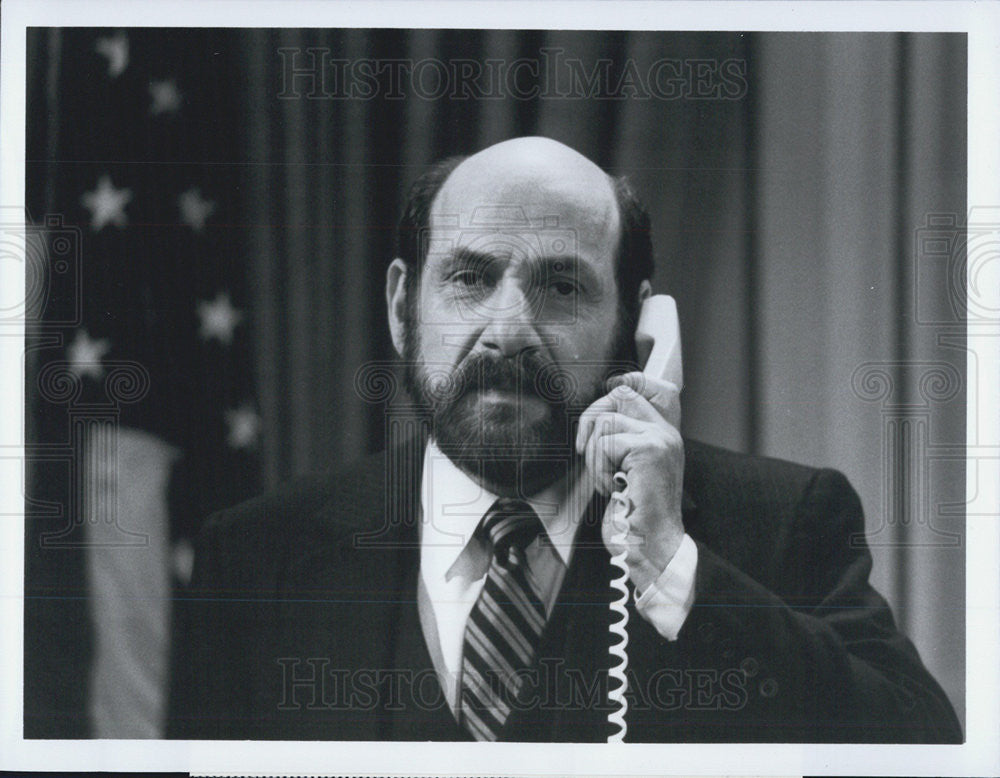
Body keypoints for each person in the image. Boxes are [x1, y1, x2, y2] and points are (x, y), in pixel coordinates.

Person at [168, 136, 962, 743]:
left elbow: (922, 748)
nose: (507, 331)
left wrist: (674, 569)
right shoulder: (256, 557)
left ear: (636, 328)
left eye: (561, 286)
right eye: (470, 278)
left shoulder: (783, 523)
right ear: (403, 303)